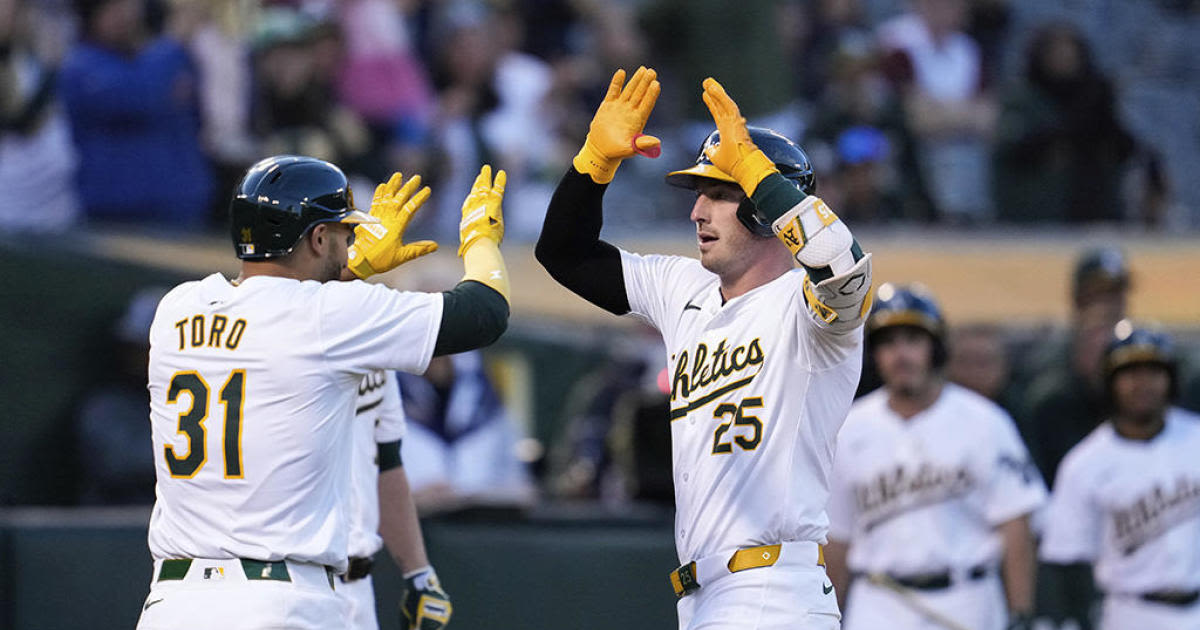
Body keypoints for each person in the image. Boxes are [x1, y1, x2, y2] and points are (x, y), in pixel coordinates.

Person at [537, 67, 874, 629]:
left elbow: (845, 270)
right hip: (705, 595)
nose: (698, 212)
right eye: (700, 195)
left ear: (763, 208)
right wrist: (592, 165)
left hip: (774, 588)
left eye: (720, 194)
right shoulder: (683, 288)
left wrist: (763, 181)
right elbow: (564, 253)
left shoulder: (809, 309)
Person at [137, 154, 511, 630]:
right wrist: (479, 237)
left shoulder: (176, 309)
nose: (350, 242)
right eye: (342, 232)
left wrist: (348, 272)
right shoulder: (330, 315)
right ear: (316, 237)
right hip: (282, 603)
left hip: (173, 605)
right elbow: (485, 312)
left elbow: (273, 319)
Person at [823, 283, 1046, 630]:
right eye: (889, 343)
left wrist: (1020, 612)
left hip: (968, 597)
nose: (901, 355)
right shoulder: (848, 429)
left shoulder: (985, 421)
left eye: (913, 340)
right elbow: (837, 537)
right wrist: (827, 616)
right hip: (879, 601)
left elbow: (1016, 524)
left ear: (936, 348)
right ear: (875, 354)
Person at [1040, 323, 1200, 630]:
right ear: (1110, 382)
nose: (1143, 384)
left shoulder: (1196, 439)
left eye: (1154, 372)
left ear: (1171, 379)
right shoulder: (1085, 463)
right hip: (1130, 612)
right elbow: (1066, 559)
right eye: (1130, 373)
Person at [339, 368, 447, 630]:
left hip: (358, 586)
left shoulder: (377, 347)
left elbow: (386, 462)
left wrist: (419, 573)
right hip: (293, 574)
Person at [1016, 246, 1130, 487]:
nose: (1107, 303)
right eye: (1098, 293)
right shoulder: (1046, 365)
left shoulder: (1142, 353)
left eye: (1114, 293)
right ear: (1078, 298)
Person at [395, 349, 535, 512]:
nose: (437, 359)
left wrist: (473, 497)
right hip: (406, 526)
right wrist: (412, 500)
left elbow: (522, 489)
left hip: (479, 528)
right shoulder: (386, 395)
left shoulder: (486, 401)